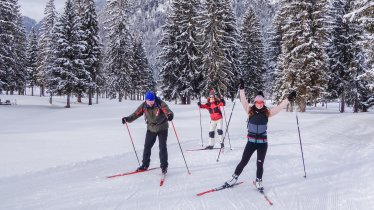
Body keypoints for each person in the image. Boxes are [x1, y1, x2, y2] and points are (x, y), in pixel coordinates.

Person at [224, 79, 296, 190]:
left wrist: (288, 99)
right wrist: (242, 89)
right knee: (244, 161)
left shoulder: (268, 112)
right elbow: (243, 100)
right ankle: (234, 178)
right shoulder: (249, 110)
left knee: (260, 163)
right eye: (257, 102)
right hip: (251, 143)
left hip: (262, 143)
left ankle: (258, 180)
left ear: (263, 103)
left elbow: (280, 107)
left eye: (261, 103)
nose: (259, 104)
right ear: (255, 102)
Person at [122, 91, 174, 174]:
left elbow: (167, 110)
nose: (150, 103)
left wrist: (170, 115)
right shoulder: (144, 106)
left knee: (162, 147)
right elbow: (136, 114)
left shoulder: (160, 104)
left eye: (152, 101)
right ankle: (145, 165)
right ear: (146, 100)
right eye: (148, 102)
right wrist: (127, 119)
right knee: (147, 146)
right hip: (151, 128)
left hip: (162, 128)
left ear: (154, 100)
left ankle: (164, 166)